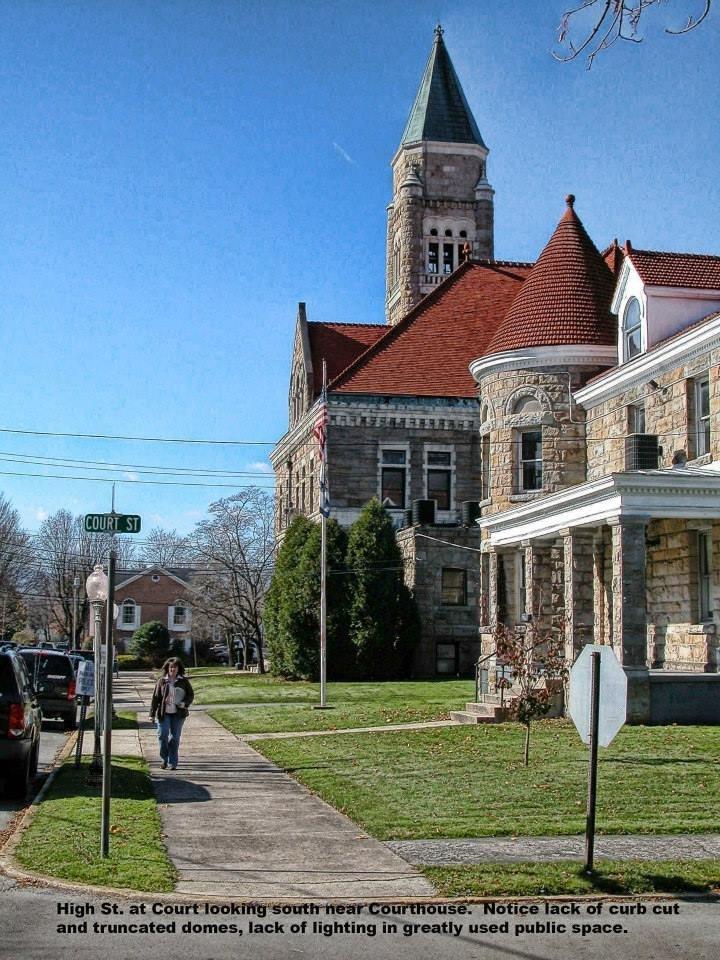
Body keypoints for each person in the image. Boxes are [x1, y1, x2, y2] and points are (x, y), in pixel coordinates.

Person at [149, 657, 194, 770]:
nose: (173, 669)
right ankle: (164, 759)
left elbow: (190, 695)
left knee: (175, 738)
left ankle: (172, 763)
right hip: (164, 713)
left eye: (175, 667)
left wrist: (185, 703)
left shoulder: (183, 681)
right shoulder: (161, 681)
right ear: (167, 668)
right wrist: (152, 714)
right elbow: (155, 698)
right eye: (171, 667)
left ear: (179, 669)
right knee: (162, 735)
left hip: (178, 714)